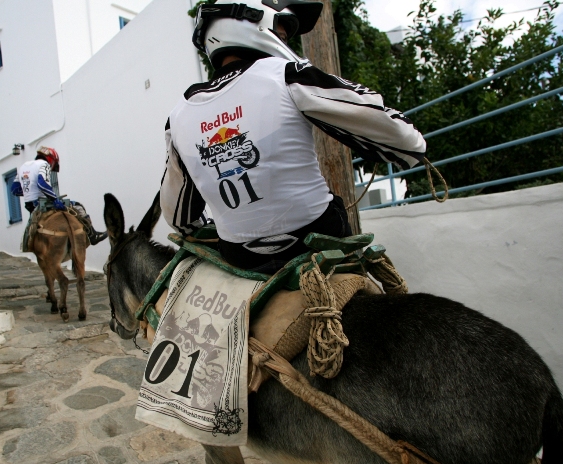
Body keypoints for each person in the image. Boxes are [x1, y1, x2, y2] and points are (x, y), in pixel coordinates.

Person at [160, 0, 426, 273]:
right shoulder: (286, 75)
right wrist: (412, 144)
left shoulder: (177, 117)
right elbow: (403, 139)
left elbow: (178, 217)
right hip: (315, 240)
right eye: (283, 34)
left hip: (240, 256)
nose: (286, 42)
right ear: (251, 20)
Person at [12, 146, 107, 245]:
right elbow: (42, 184)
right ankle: (93, 235)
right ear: (51, 160)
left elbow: (14, 190)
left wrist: (29, 191)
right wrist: (54, 199)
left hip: (30, 206)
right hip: (43, 204)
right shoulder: (44, 164)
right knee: (78, 206)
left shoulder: (23, 167)